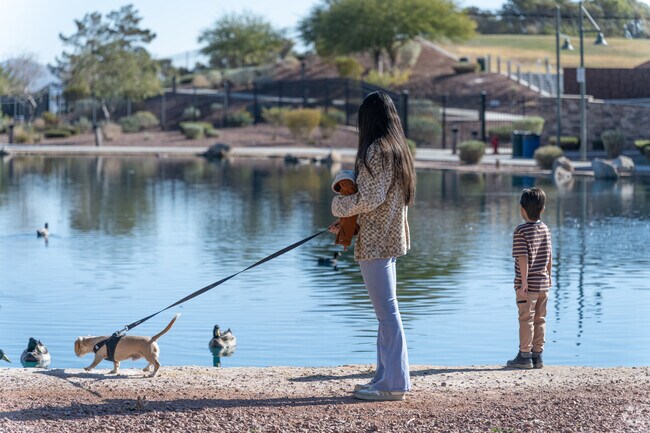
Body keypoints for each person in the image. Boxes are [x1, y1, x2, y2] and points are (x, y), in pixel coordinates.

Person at [329, 91, 416, 401]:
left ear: (367, 120)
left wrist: (339, 206)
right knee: (386, 313)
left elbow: (370, 198)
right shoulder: (396, 149)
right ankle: (384, 376)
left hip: (377, 243)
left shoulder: (375, 150)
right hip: (390, 238)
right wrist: (351, 220)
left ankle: (394, 383)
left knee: (387, 313)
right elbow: (383, 200)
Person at [507, 187, 552, 369]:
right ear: (542, 209)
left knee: (526, 318)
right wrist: (549, 276)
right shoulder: (545, 229)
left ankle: (524, 355)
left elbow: (523, 257)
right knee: (540, 319)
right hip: (543, 283)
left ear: (521, 209)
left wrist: (524, 282)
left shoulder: (521, 231)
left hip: (528, 286)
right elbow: (549, 256)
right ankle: (537, 355)